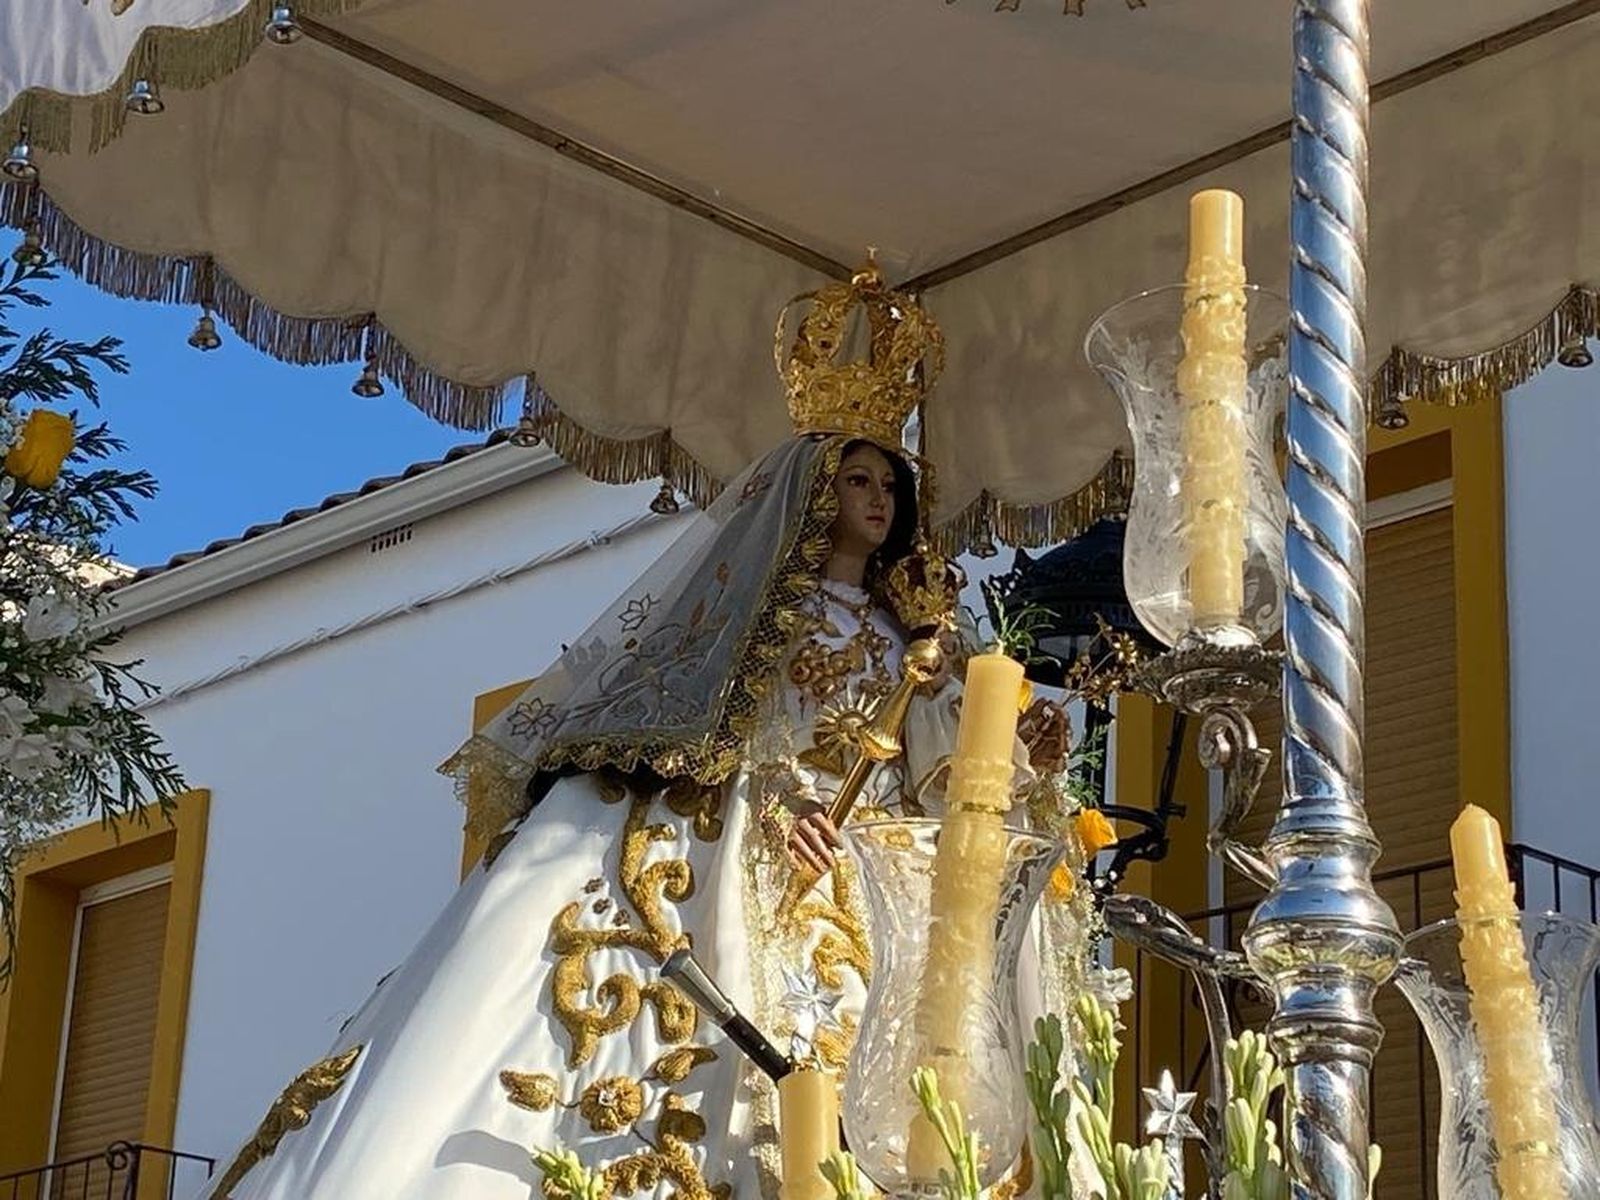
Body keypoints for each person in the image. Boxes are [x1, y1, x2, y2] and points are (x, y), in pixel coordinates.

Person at [211, 266, 995, 1200]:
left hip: (861, 863)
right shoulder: (756, 624)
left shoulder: (913, 635)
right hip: (769, 836)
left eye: (888, 484)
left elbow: (937, 766)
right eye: (857, 480)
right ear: (813, 496)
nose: (877, 500)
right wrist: (785, 813)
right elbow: (741, 727)